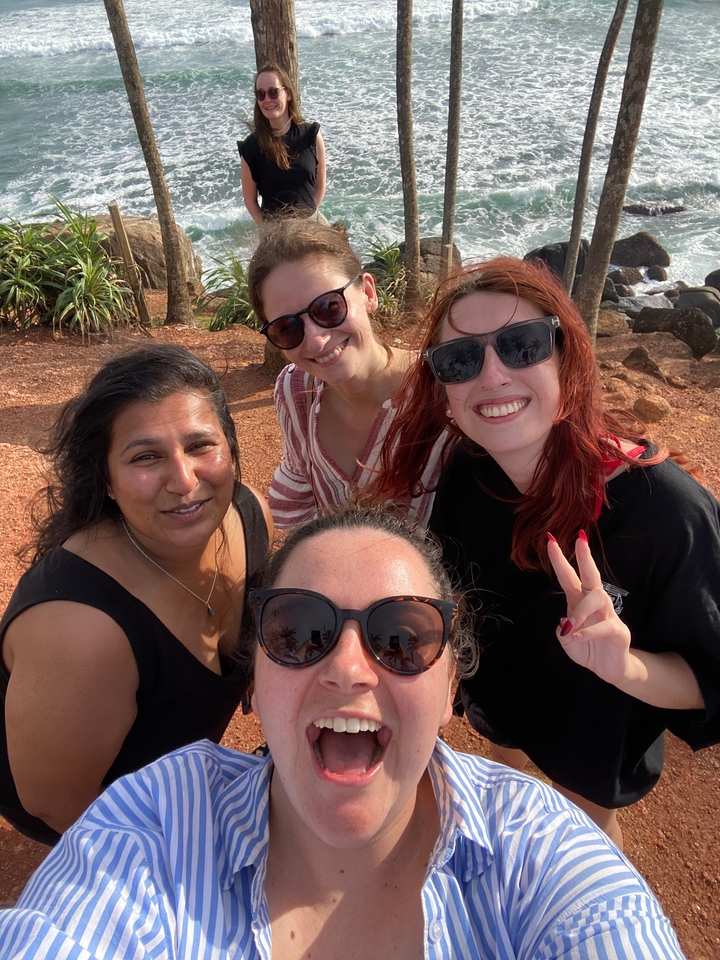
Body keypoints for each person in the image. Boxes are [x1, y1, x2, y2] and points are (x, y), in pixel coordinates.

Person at [0, 508, 685, 959]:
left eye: (402, 637)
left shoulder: (538, 850)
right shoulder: (157, 825)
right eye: (299, 632)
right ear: (254, 680)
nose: (350, 670)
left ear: (450, 685)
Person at [372, 255, 720, 848]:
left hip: (590, 741)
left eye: (523, 345)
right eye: (460, 360)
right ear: (446, 391)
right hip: (507, 705)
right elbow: (457, 590)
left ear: (568, 355)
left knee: (579, 859)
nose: (492, 376)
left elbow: (711, 680)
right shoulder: (469, 470)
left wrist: (622, 665)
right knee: (504, 823)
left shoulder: (666, 513)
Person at [0, 344, 273, 846]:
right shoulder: (82, 630)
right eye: (146, 457)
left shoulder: (250, 514)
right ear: (105, 479)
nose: (184, 481)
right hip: (85, 795)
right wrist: (187, 856)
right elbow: (55, 802)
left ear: (230, 450)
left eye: (200, 446)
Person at [247, 219, 450, 529]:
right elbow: (298, 500)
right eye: (287, 328)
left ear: (368, 293)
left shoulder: (445, 390)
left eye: (329, 307)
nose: (316, 339)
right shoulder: (295, 389)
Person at [238, 62, 326, 226]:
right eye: (261, 94)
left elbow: (320, 186)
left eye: (273, 92)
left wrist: (308, 220)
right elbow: (250, 201)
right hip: (274, 232)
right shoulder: (250, 148)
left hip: (311, 224)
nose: (267, 99)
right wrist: (270, 230)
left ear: (288, 93)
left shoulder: (311, 135)